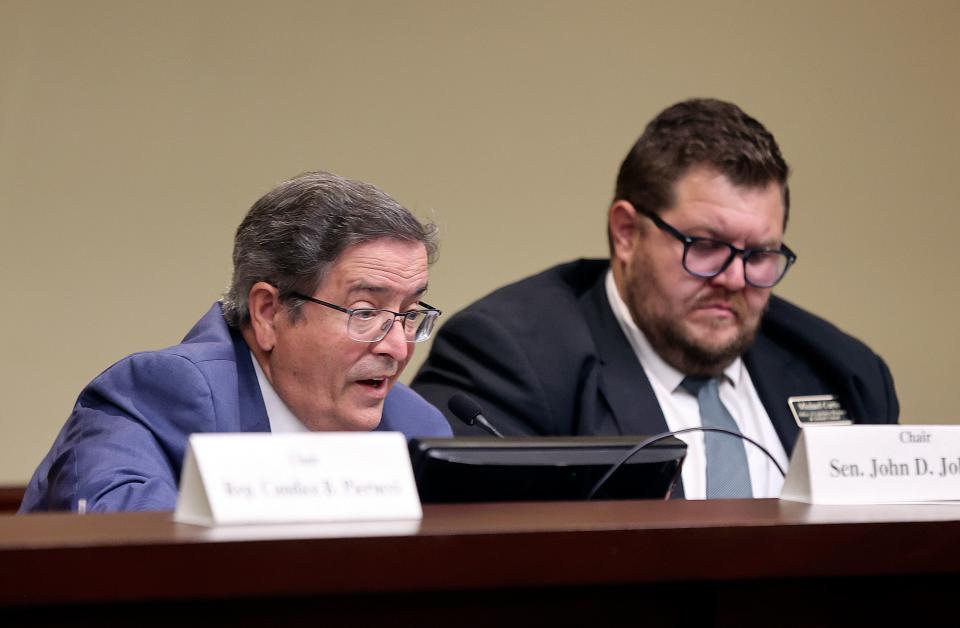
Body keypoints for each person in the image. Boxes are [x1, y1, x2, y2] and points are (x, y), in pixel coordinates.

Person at [413, 98, 898, 499]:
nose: (734, 278)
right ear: (626, 233)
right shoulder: (508, 357)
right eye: (706, 246)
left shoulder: (843, 372)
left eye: (759, 254)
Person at [22, 171, 451, 512]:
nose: (397, 348)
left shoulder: (413, 428)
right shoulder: (158, 395)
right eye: (364, 313)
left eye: (409, 314)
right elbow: (132, 559)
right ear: (268, 312)